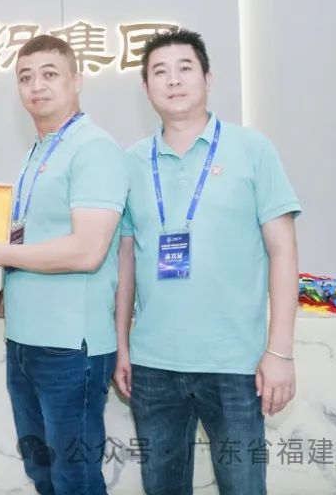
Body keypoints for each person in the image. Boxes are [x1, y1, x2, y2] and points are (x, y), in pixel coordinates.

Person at [113, 28, 301, 495]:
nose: (173, 80)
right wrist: (122, 346)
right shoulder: (131, 162)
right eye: (160, 72)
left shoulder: (252, 149)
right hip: (153, 365)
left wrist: (279, 352)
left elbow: (283, 251)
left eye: (185, 68)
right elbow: (127, 260)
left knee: (243, 486)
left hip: (235, 363)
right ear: (146, 87)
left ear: (208, 78)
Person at [0, 34, 128, 495]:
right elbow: (30, 239)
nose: (36, 86)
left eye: (49, 74)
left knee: (75, 479)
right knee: (43, 474)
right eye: (25, 77)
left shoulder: (94, 149)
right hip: (26, 341)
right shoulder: (38, 151)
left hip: (70, 347)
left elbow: (87, 250)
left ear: (76, 80)